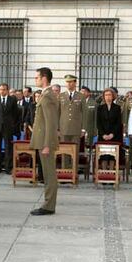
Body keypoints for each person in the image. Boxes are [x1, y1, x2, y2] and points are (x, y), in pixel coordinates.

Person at [29, 67, 59, 216]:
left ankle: (48, 205)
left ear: (44, 78)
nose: (36, 79)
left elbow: (51, 123)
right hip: (41, 140)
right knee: (46, 174)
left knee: (49, 174)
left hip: (44, 142)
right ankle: (48, 204)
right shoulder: (45, 94)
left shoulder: (48, 96)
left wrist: (47, 144)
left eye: (37, 77)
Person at [58, 75, 85, 170]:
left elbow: (84, 112)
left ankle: (73, 172)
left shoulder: (81, 96)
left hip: (76, 128)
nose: (69, 84)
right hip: (63, 128)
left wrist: (83, 129)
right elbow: (58, 113)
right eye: (67, 82)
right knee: (64, 151)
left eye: (71, 82)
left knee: (75, 151)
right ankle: (64, 172)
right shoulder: (61, 96)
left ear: (75, 83)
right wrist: (57, 128)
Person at [0, 83, 18, 174]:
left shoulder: (12, 99)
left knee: (8, 147)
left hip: (8, 127)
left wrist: (12, 123)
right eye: (1, 89)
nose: (2, 91)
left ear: (7, 90)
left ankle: (8, 167)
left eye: (4, 89)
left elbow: (15, 113)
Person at [97, 88, 123, 170]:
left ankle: (112, 174)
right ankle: (104, 173)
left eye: (109, 95)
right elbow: (98, 123)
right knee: (104, 155)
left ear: (113, 96)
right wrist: (103, 134)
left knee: (112, 155)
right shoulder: (100, 108)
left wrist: (112, 134)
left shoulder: (117, 108)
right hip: (103, 135)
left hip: (114, 136)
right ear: (103, 97)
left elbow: (118, 123)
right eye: (106, 95)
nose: (108, 97)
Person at [24, 90, 44, 183]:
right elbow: (27, 119)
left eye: (39, 96)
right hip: (33, 133)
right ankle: (32, 175)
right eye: (36, 96)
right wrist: (31, 129)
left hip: (42, 134)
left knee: (41, 156)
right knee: (33, 155)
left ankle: (41, 176)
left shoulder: (45, 106)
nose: (37, 98)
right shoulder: (31, 106)